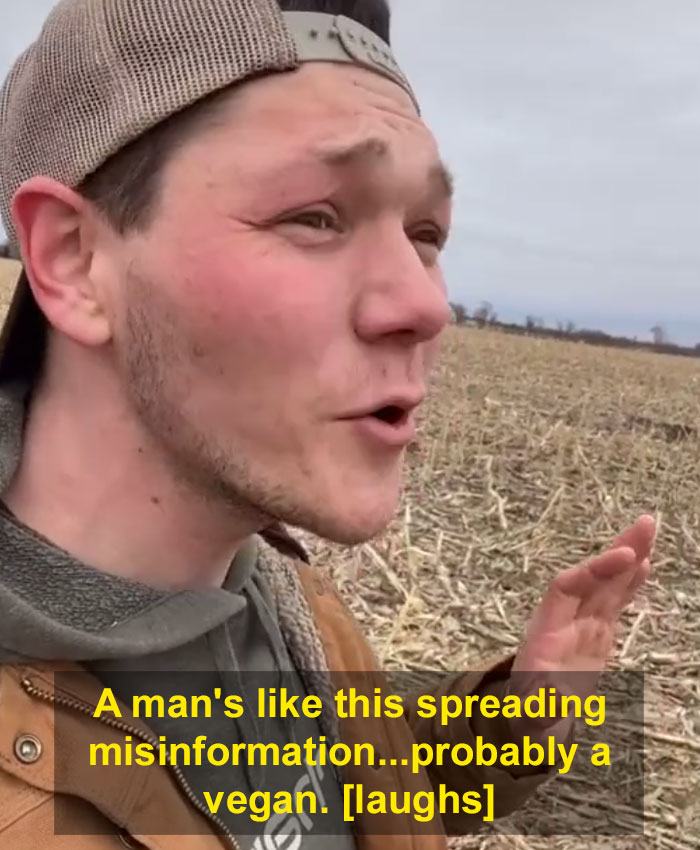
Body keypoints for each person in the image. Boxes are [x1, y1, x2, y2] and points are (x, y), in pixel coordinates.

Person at [0, 0, 656, 848]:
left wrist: (515, 725)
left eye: (426, 232)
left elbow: (352, 801)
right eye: (314, 217)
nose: (426, 304)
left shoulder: (274, 583)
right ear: (73, 260)